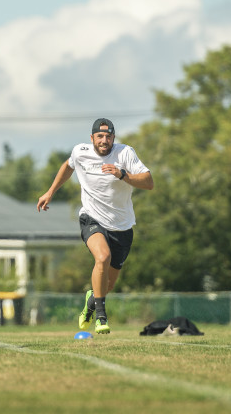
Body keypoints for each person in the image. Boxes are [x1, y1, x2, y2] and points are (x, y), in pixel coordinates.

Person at [37, 118, 153, 335]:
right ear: (92, 138)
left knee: (107, 285)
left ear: (113, 138)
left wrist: (122, 174)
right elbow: (68, 166)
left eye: (108, 136)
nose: (104, 140)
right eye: (100, 136)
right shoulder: (80, 152)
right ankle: (101, 316)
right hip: (92, 218)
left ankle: (92, 300)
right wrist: (50, 191)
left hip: (122, 226)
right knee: (102, 257)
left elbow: (149, 182)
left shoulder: (125, 153)